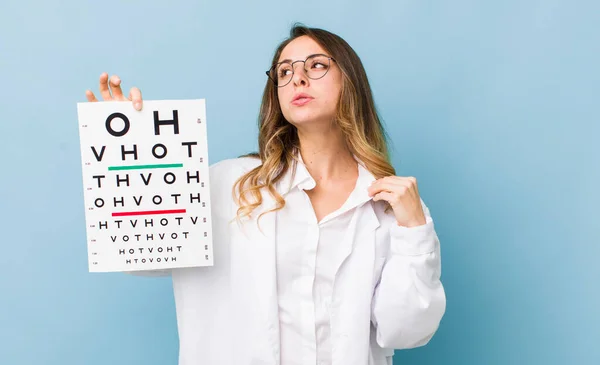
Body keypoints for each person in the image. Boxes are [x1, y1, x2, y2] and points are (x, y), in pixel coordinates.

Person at [85, 24, 446, 365]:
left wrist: (414, 230)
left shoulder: (389, 206)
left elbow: (406, 330)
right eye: (284, 72)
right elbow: (139, 259)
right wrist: (132, 149)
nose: (297, 78)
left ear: (351, 82)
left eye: (317, 65)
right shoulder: (228, 185)